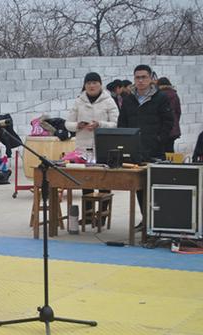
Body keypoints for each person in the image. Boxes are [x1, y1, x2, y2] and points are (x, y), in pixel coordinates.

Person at [118, 65, 173, 229]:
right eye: (137, 77)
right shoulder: (129, 99)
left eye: (144, 77)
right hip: (135, 151)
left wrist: (158, 139)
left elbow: (169, 122)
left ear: (151, 78)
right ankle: (145, 219)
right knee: (140, 187)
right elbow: (122, 123)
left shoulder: (161, 97)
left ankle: (159, 222)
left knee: (156, 187)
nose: (140, 80)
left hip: (155, 150)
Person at [65, 72, 119, 219]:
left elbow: (116, 124)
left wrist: (99, 124)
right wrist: (78, 125)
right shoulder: (79, 101)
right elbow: (68, 124)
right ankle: (88, 215)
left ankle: (102, 215)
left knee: (103, 181)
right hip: (83, 148)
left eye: (94, 82)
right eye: (88, 83)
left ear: (100, 84)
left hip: (103, 147)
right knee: (86, 181)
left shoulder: (108, 101)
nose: (91, 86)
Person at [157, 77, 182, 153]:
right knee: (170, 149)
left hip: (162, 128)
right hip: (173, 129)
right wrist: (175, 122)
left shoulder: (159, 95)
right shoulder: (174, 94)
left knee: (161, 150)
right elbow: (178, 111)